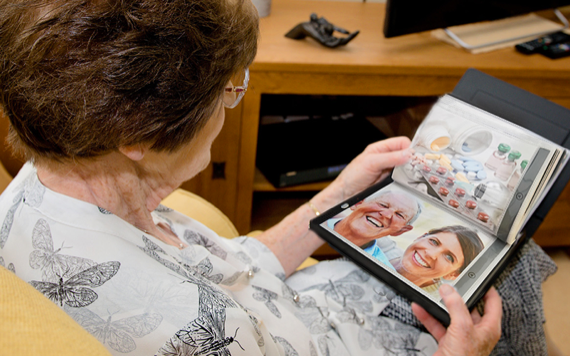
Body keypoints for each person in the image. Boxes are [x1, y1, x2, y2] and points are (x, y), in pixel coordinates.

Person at [0, 0, 558, 355]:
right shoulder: (198, 335)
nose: (229, 107)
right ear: (139, 138)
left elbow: (237, 267)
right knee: (513, 273)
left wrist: (341, 194)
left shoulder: (45, 177)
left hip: (292, 308)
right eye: (228, 91)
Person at [328, 190, 421, 266]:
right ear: (357, 203)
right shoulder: (318, 215)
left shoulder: (382, 270)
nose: (386, 215)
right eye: (383, 205)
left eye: (399, 215)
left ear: (401, 230)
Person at [388, 226, 484, 295]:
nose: (431, 254)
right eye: (434, 242)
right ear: (421, 237)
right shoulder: (380, 245)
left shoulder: (431, 306)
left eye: (449, 257)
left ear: (453, 275)